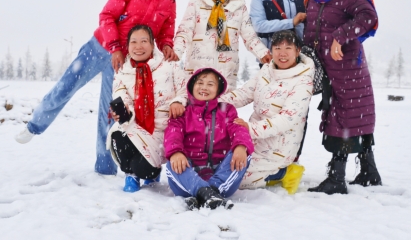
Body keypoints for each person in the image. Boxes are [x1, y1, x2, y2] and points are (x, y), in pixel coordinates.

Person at [14, 0, 179, 175]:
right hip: (100, 48)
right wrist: (114, 47)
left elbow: (164, 33)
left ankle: (104, 167)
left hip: (124, 62)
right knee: (65, 87)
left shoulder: (169, 2)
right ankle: (34, 126)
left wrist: (167, 45)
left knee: (110, 113)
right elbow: (107, 15)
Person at [302, 0, 382, 195]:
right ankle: (369, 171)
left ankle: (337, 178)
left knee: (344, 114)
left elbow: (368, 16)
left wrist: (340, 36)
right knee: (349, 113)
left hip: (346, 65)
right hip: (327, 65)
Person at [220, 30, 314, 194]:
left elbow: (286, 120)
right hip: (253, 138)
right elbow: (244, 94)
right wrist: (212, 103)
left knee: (234, 176)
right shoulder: (267, 70)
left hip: (278, 145)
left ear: (298, 50)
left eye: (288, 48)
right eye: (277, 48)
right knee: (218, 160)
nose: (282, 53)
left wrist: (249, 128)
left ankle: (283, 172)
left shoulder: (303, 81)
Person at [106, 25, 187, 192]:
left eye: (144, 41)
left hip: (162, 131)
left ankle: (150, 172)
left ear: (152, 45)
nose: (138, 47)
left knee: (143, 167)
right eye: (133, 42)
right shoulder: (123, 71)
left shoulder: (168, 65)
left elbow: (184, 88)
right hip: (136, 126)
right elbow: (120, 93)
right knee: (117, 135)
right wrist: (125, 110)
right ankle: (131, 175)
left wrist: (178, 101)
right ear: (127, 46)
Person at [173, 0, 271, 91]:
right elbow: (184, 31)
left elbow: (250, 37)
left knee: (222, 110)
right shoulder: (196, 3)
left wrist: (263, 53)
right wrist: (176, 52)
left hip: (226, 74)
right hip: (197, 71)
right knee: (196, 110)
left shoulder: (239, 8)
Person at [164, 68, 254, 210]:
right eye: (200, 82)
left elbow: (238, 129)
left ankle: (205, 192)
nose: (204, 87)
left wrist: (240, 147)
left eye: (210, 84)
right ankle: (207, 193)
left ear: (218, 91)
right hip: (189, 177)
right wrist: (176, 153)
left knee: (244, 152)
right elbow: (172, 134)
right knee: (172, 162)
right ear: (192, 86)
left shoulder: (226, 110)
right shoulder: (184, 111)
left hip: (220, 174)